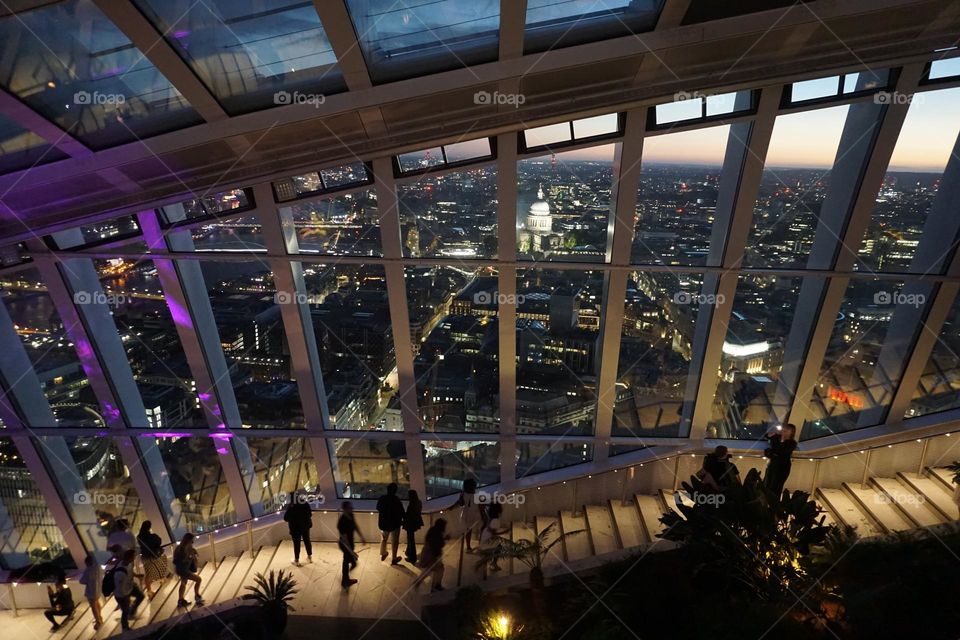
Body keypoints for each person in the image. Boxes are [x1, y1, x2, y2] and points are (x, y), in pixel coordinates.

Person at [113, 549, 145, 631]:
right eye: (133, 557)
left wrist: (137, 576)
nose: (134, 558)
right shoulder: (120, 573)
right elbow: (120, 587)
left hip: (129, 587)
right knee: (125, 610)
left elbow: (130, 571)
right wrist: (126, 597)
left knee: (141, 596)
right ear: (130, 558)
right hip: (122, 594)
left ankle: (132, 610)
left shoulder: (129, 564)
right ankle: (125, 627)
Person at [414, 518, 448, 592]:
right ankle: (436, 585)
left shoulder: (432, 530)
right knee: (437, 569)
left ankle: (430, 584)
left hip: (428, 553)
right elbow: (439, 544)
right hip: (432, 555)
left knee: (432, 569)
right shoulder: (437, 533)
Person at [764, 423, 798, 497]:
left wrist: (772, 452)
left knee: (777, 486)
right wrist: (770, 435)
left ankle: (774, 502)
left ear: (792, 432)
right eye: (785, 429)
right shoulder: (777, 437)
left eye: (788, 430)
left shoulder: (792, 443)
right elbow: (766, 436)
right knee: (768, 483)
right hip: (773, 465)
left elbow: (781, 452)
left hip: (783, 468)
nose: (785, 431)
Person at [337, 501, 366, 588]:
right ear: (345, 509)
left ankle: (351, 565)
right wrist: (352, 552)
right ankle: (345, 580)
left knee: (350, 560)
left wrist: (361, 537)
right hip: (345, 544)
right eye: (350, 508)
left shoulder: (351, 515)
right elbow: (344, 539)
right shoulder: (342, 522)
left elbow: (355, 526)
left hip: (350, 543)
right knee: (347, 561)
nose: (352, 509)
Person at [137, 521, 168, 598]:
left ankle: (149, 590)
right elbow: (159, 541)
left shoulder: (139, 537)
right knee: (162, 563)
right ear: (149, 527)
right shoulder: (152, 536)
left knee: (148, 573)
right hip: (153, 556)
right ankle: (161, 579)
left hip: (145, 557)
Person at [376, 482, 405, 565]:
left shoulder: (382, 498)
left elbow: (378, 508)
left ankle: (383, 553)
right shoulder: (396, 500)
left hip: (383, 524)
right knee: (395, 541)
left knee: (384, 539)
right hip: (395, 524)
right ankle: (394, 558)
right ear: (395, 491)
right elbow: (402, 512)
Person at [173, 533, 204, 607]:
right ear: (189, 540)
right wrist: (190, 557)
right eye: (192, 540)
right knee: (198, 579)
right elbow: (182, 560)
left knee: (183, 583)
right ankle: (197, 596)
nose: (193, 542)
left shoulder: (181, 547)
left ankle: (181, 600)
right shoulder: (183, 549)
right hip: (183, 570)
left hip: (181, 569)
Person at [283, 491, 313, 566]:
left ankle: (297, 560)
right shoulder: (305, 502)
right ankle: (309, 557)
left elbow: (286, 518)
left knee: (296, 544)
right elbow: (310, 514)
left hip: (295, 528)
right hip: (305, 526)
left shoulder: (291, 506)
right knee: (307, 540)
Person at [478, 503, 508, 578]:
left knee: (497, 545)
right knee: (499, 547)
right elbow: (493, 533)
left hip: (483, 540)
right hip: (487, 542)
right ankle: (494, 563)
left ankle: (490, 564)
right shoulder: (496, 521)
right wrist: (505, 531)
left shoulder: (490, 518)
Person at [78, 554, 104, 630]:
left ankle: (98, 621)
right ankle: (100, 617)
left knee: (93, 606)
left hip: (91, 591)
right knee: (97, 603)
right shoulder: (98, 568)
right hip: (98, 589)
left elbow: (82, 581)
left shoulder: (88, 570)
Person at [458, 478, 483, 551]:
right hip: (475, 514)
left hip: (466, 514)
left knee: (468, 530)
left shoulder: (463, 494)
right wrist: (483, 515)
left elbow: (461, 504)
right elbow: (480, 506)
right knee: (480, 529)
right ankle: (480, 544)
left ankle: (468, 546)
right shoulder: (477, 495)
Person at [403, 489, 424, 564]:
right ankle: (409, 553)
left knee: (411, 540)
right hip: (415, 523)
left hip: (410, 524)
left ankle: (412, 557)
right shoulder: (418, 502)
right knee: (411, 539)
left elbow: (409, 514)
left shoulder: (412, 503)